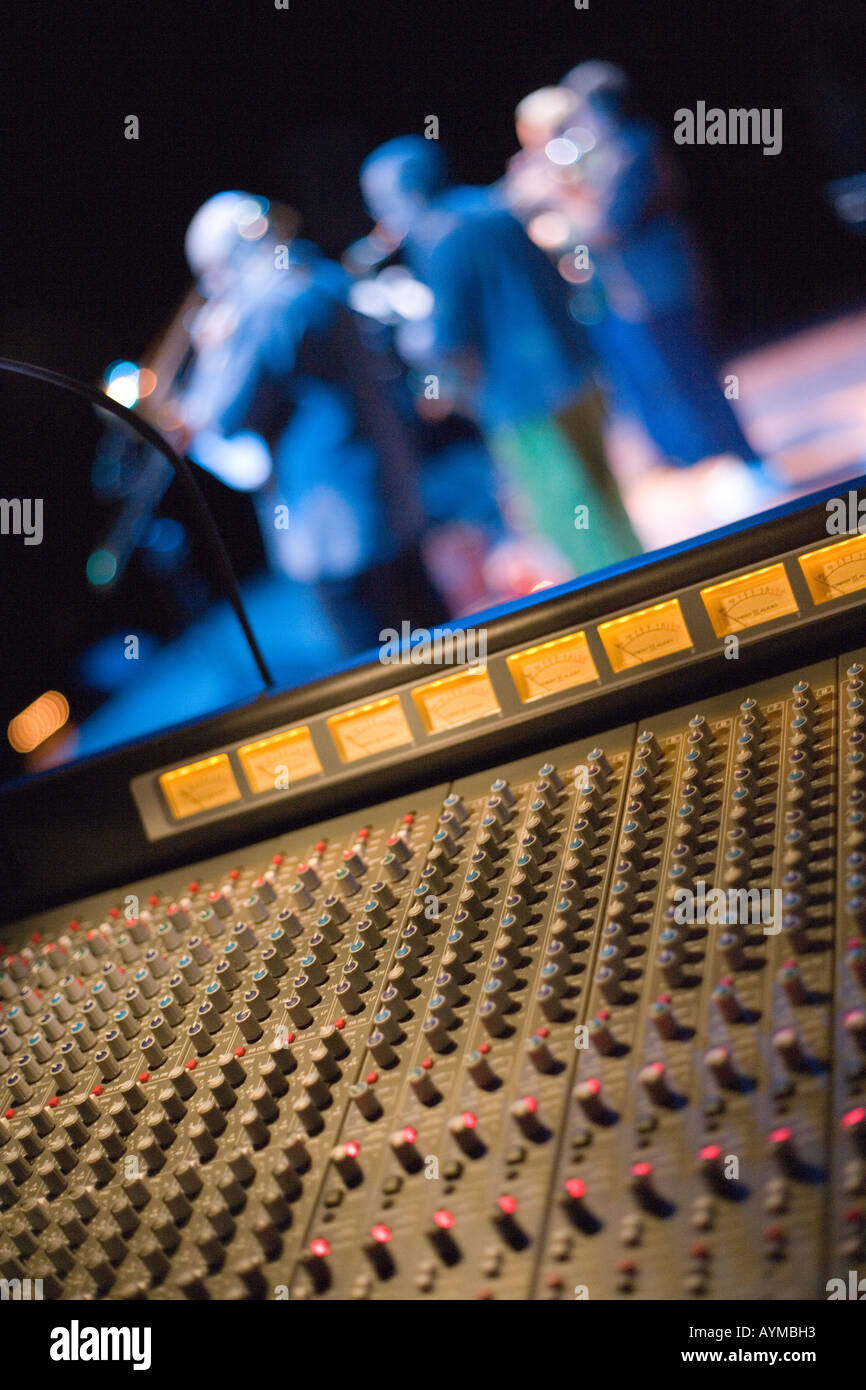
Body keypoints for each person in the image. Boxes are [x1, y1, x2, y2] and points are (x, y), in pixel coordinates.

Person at [176, 191, 448, 656]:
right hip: (388, 503)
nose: (215, 287)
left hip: (337, 534)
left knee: (380, 678)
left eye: (213, 273)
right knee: (435, 644)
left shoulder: (268, 307)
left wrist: (214, 352)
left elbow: (220, 418)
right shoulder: (318, 276)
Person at [360, 137, 641, 579]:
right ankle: (647, 587)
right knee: (605, 498)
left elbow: (448, 338)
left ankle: (620, 608)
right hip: (575, 372)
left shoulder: (435, 235)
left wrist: (411, 329)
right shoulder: (491, 206)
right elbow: (559, 280)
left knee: (567, 516)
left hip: (520, 402)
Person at [553, 63, 777, 512]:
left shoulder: (632, 148)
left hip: (662, 286)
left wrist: (565, 203)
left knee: (695, 378)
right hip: (640, 291)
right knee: (675, 382)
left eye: (585, 110)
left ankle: (746, 465)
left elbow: (606, 226)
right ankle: (720, 466)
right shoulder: (613, 152)